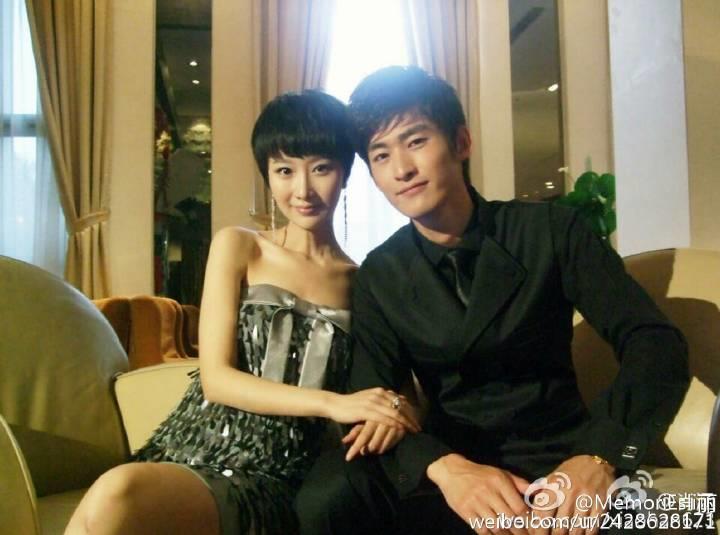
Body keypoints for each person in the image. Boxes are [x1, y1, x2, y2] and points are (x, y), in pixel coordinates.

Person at [296, 66, 689, 535]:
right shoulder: (381, 272)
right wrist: (444, 468)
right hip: (453, 474)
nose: (401, 169)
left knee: (687, 513)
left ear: (461, 142)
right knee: (329, 495)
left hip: (560, 461)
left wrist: (600, 455)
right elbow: (370, 399)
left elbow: (654, 342)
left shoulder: (549, 231)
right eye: (381, 155)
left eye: (416, 141)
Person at [64, 90, 420, 535]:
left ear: (346, 172)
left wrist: (394, 410)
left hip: (277, 474)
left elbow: (401, 393)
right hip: (194, 446)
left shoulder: (362, 283)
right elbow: (216, 379)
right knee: (113, 494)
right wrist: (334, 403)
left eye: (321, 168)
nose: (303, 190)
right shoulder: (239, 245)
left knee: (118, 494)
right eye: (284, 170)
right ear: (267, 176)